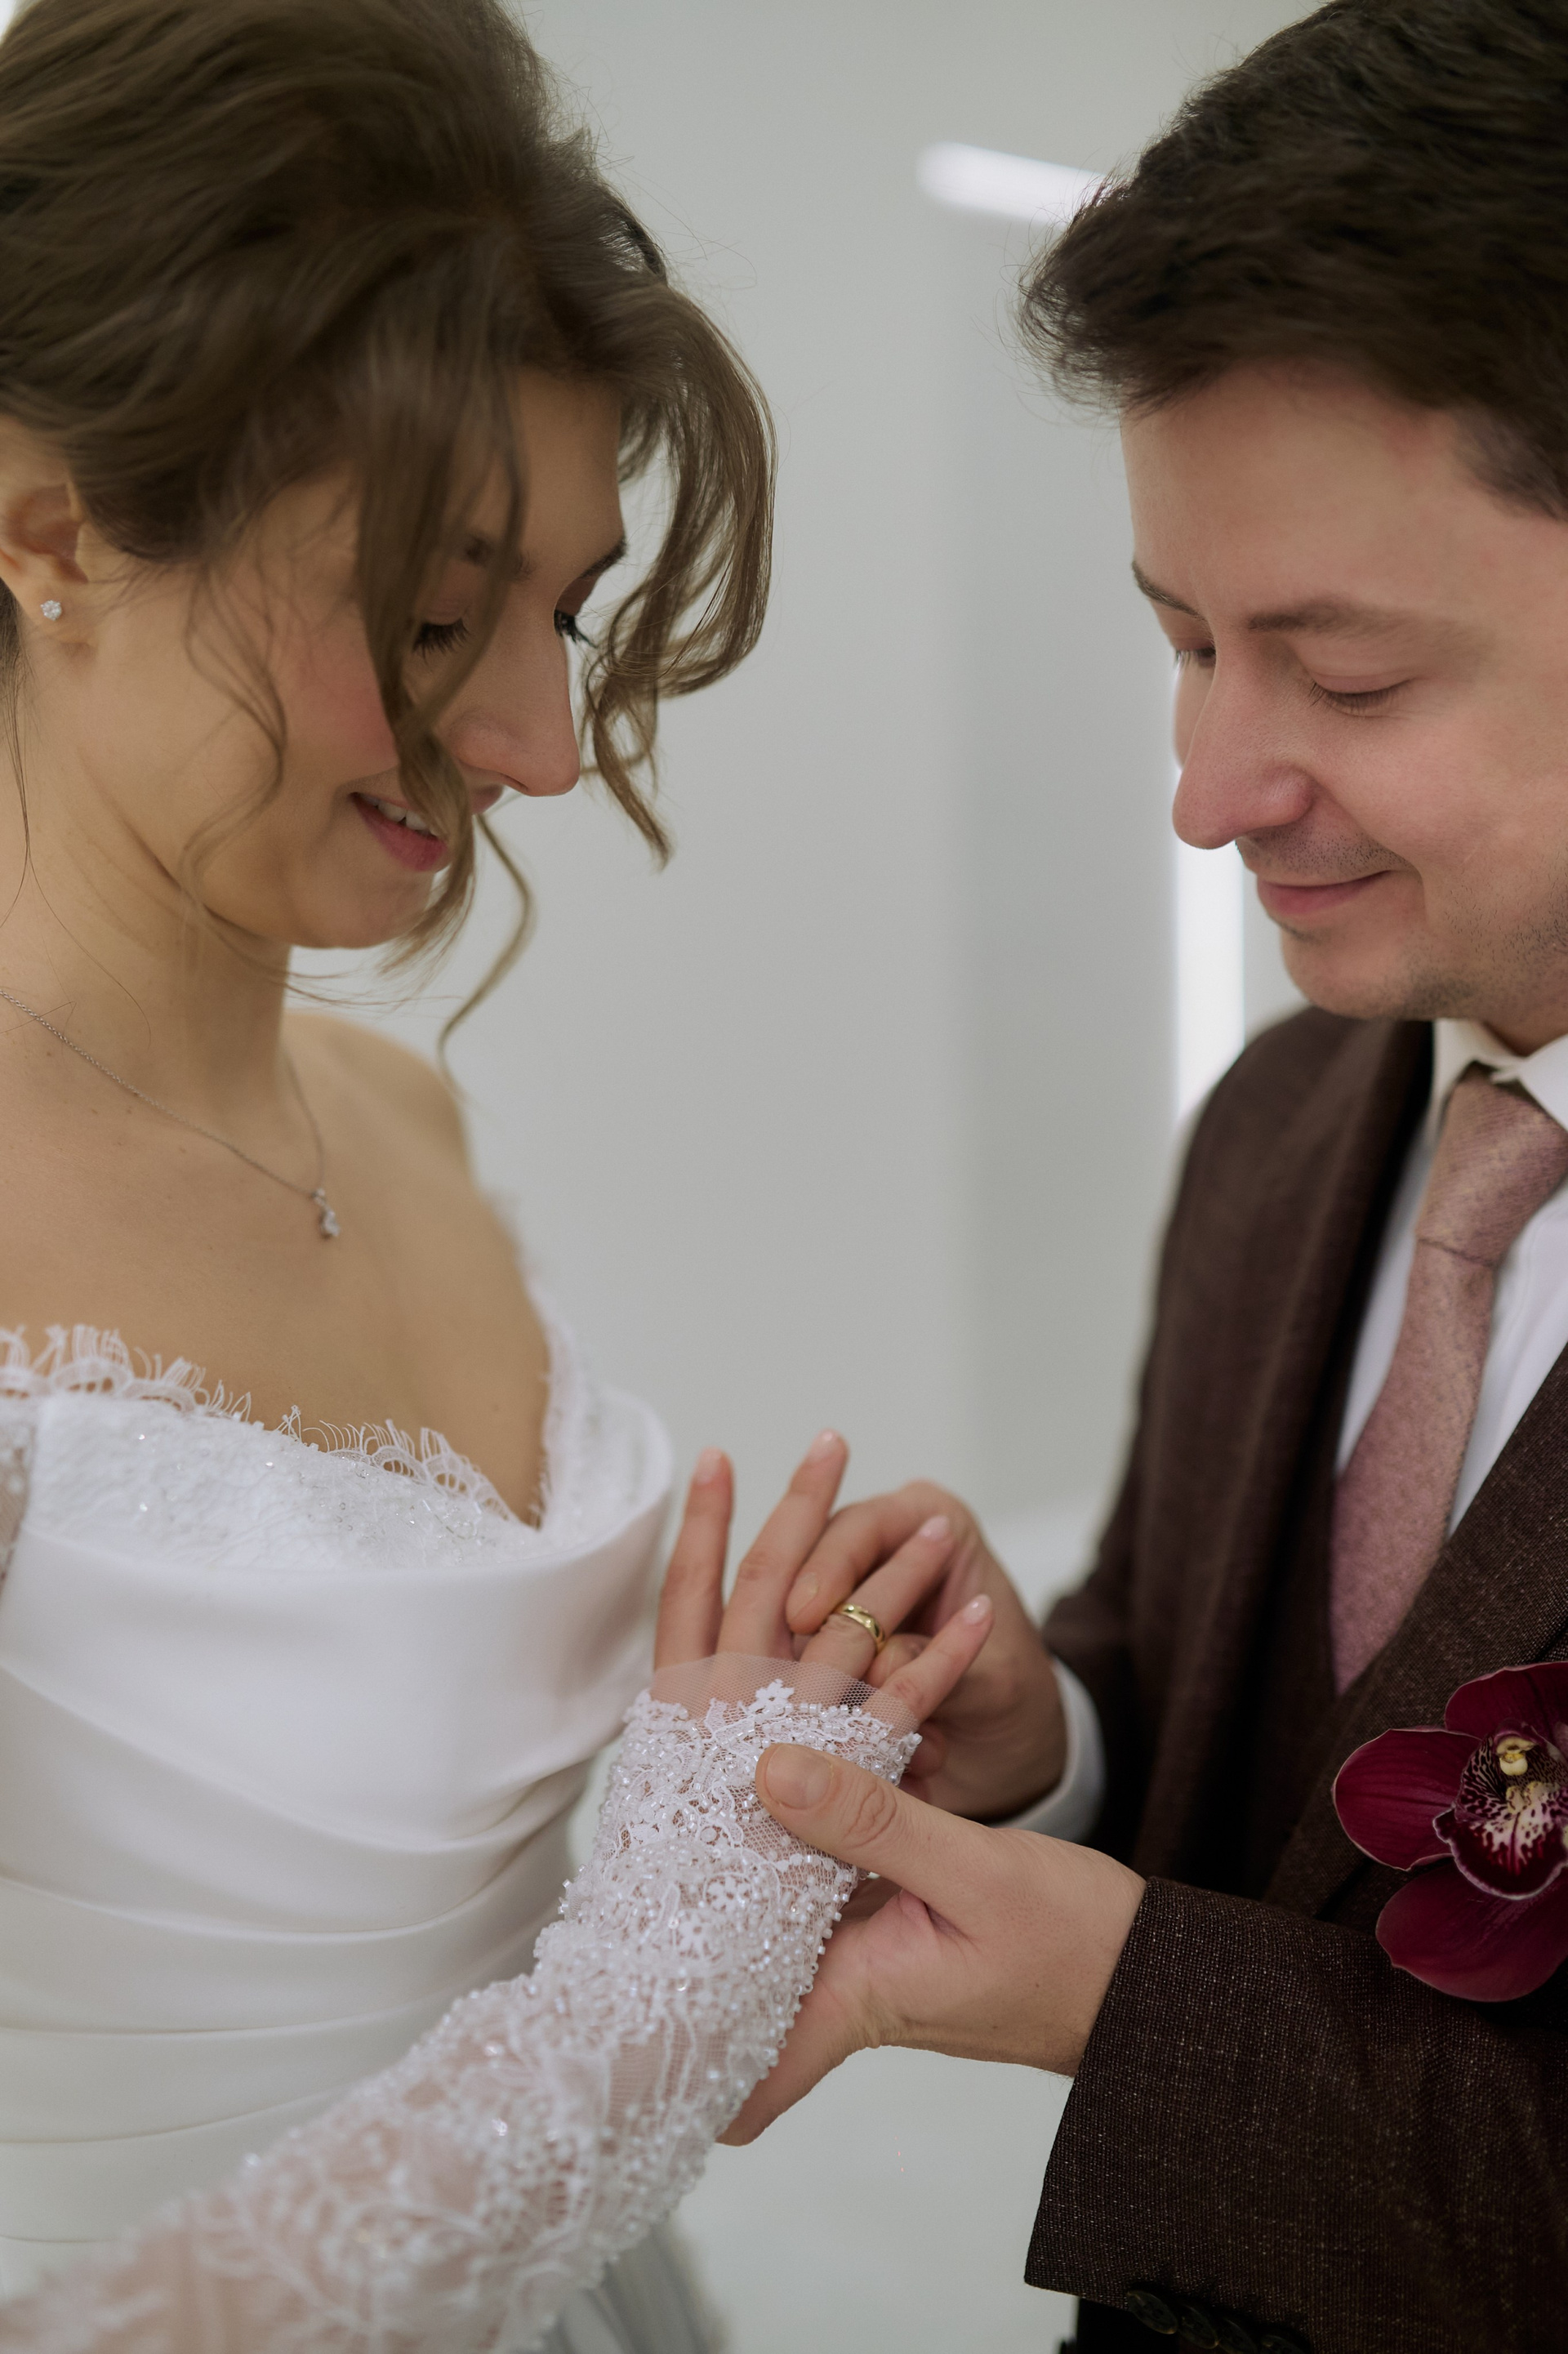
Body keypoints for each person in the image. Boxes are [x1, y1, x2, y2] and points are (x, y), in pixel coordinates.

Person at [0, 0, 959, 2343]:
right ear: (49, 529)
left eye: (564, 615)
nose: (536, 741)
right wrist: (676, 1964)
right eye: (438, 617)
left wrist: (763, 1745)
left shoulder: (399, 1110)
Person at [723, 5, 1568, 2351]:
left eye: (1346, 680)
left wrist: (1144, 2006)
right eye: (1185, 644)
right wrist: (1050, 1736)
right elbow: (1234, 1710)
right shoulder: (1284, 1121)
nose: (1207, 793)